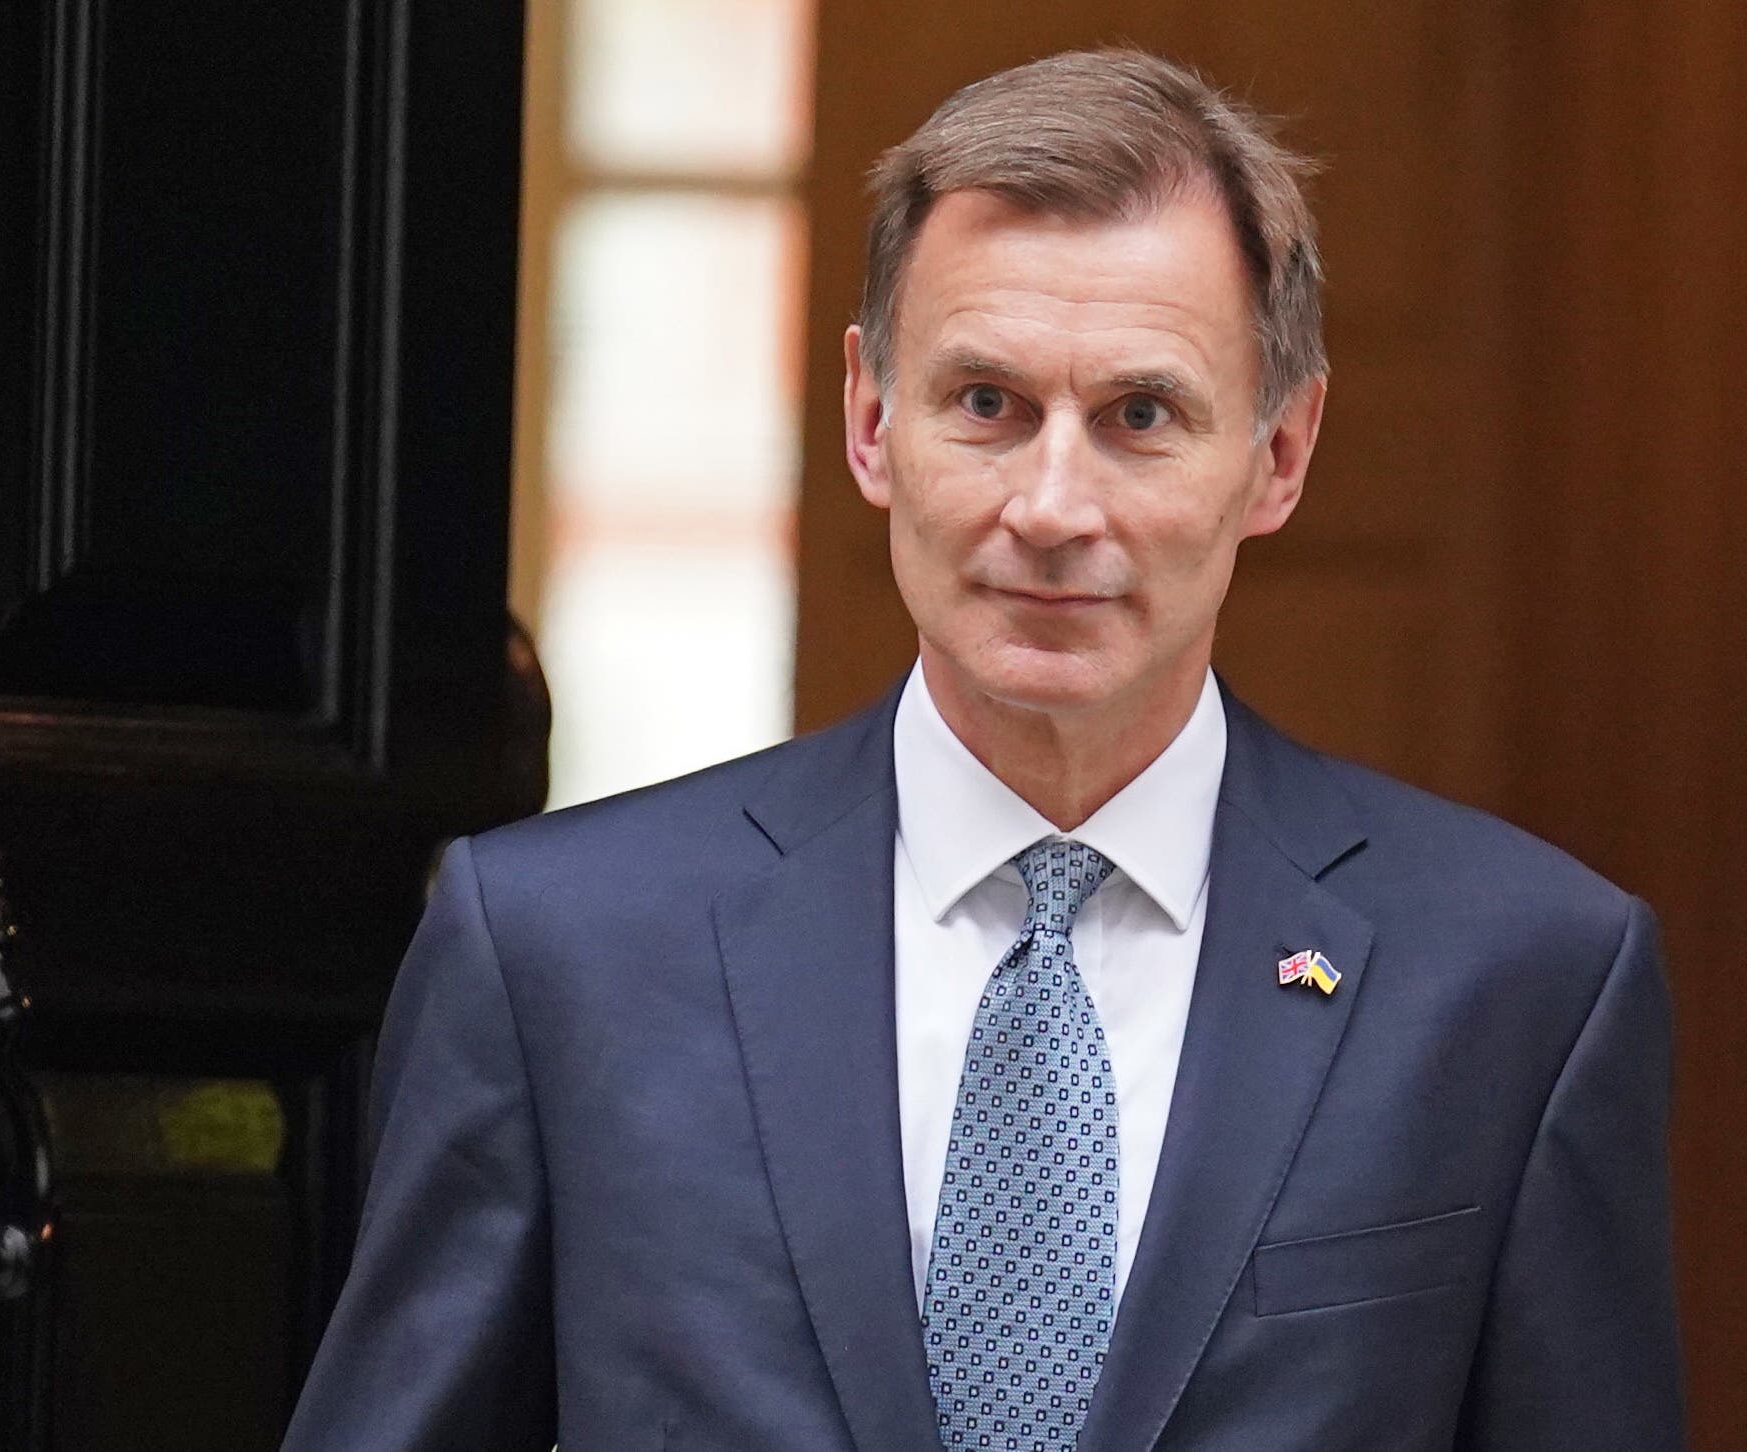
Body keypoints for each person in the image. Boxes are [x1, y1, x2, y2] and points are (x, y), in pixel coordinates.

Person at [280, 48, 1682, 1452]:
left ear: (1279, 453)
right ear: (870, 420)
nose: (1052, 504)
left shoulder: (1520, 980)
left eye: (1140, 415)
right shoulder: (556, 952)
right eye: (986, 406)